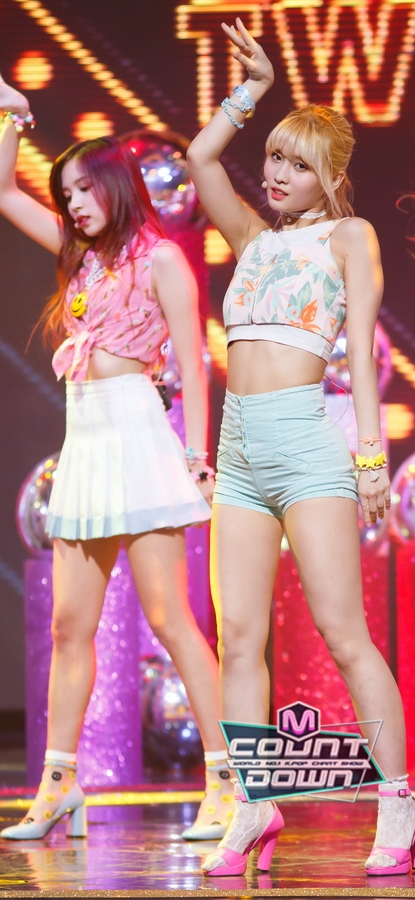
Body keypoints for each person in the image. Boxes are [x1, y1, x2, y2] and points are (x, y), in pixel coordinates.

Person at [185, 19, 415, 878]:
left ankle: (398, 801)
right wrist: (253, 91)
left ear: (329, 173)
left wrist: (371, 458)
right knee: (240, 636)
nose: (277, 173)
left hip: (305, 441)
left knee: (341, 630)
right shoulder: (254, 238)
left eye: (295, 162)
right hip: (239, 447)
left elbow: (359, 352)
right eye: (274, 158)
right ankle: (255, 805)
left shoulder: (347, 238)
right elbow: (200, 158)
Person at [0, 72, 232, 842]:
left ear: (115, 185)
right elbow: (2, 193)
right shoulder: (82, 258)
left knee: (171, 621)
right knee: (71, 627)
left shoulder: (161, 258)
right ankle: (58, 789)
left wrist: (197, 457)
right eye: (66, 193)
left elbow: (194, 363)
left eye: (84, 189)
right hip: (86, 441)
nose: (73, 203)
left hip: (138, 433)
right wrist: (13, 117)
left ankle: (227, 783)